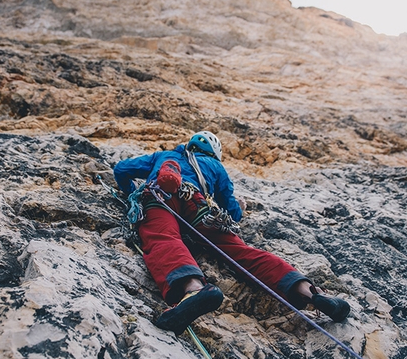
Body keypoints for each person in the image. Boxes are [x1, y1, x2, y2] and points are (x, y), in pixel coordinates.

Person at [113, 131, 350, 335]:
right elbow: (232, 211)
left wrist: (130, 191)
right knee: (241, 252)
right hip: (198, 206)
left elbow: (122, 170)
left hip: (160, 198)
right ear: (214, 152)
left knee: (164, 237)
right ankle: (312, 292)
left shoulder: (165, 156)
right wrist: (240, 208)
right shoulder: (216, 166)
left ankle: (194, 289)